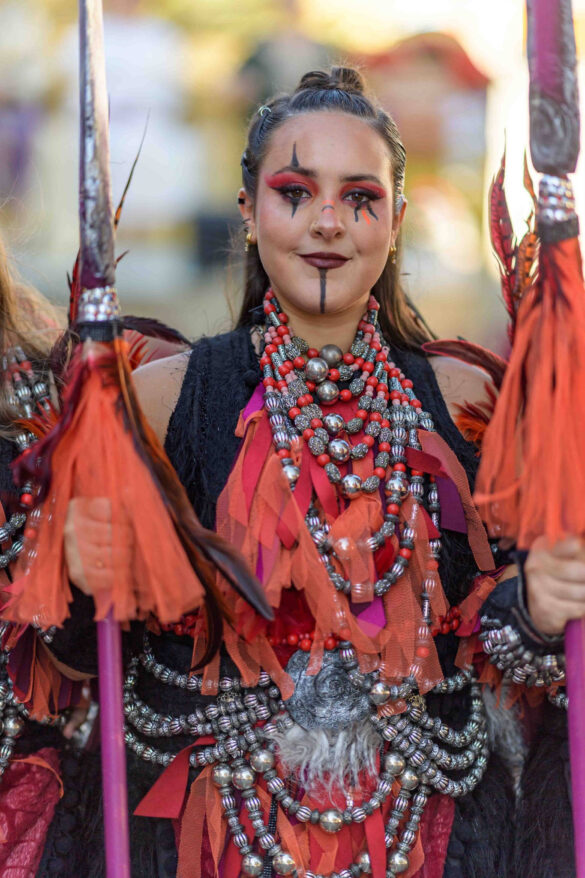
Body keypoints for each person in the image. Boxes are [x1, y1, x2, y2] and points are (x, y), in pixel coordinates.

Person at [39, 67, 579, 878]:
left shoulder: (466, 401)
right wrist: (75, 576)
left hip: (433, 842)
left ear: (395, 221)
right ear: (248, 213)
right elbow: (78, 656)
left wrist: (537, 606)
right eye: (295, 193)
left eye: (359, 197)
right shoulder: (157, 401)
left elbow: (510, 650)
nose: (327, 221)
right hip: (204, 842)